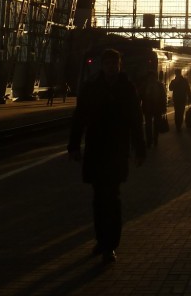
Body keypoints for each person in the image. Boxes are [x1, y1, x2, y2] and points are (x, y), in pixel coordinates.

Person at [68, 48, 146, 265]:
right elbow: (80, 117)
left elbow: (135, 121)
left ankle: (110, 245)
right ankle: (101, 240)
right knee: (98, 199)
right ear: (103, 65)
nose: (112, 67)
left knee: (111, 198)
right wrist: (73, 146)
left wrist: (140, 150)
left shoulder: (127, 88)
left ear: (119, 65)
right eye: (108, 64)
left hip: (116, 150)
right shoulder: (91, 88)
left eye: (115, 64)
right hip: (95, 149)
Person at [141, 71, 167, 148]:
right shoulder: (145, 85)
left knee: (156, 125)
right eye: (150, 77)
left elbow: (163, 97)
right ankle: (149, 141)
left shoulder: (159, 85)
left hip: (157, 108)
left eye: (153, 77)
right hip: (147, 108)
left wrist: (164, 107)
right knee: (148, 125)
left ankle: (155, 139)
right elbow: (141, 96)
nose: (151, 78)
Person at [169, 68, 191, 133]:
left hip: (179, 99)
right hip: (181, 99)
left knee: (178, 112)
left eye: (176, 73)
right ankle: (178, 125)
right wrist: (190, 98)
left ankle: (178, 125)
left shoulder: (182, 81)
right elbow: (188, 89)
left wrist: (190, 97)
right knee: (180, 112)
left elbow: (170, 88)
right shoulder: (183, 81)